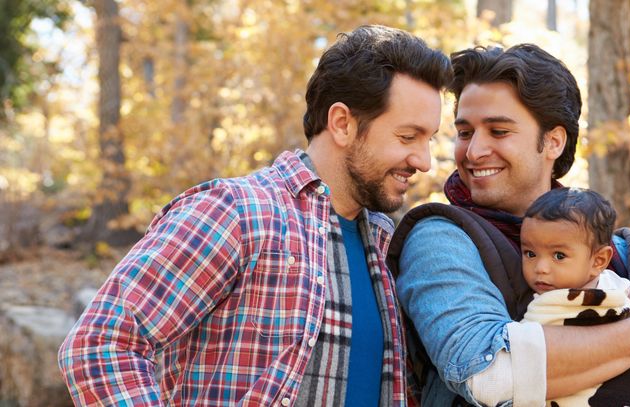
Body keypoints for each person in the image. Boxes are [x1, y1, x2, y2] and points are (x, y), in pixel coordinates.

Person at [58, 25, 451, 406]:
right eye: (407, 137)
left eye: (428, 140)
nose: (424, 160)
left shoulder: (383, 242)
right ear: (343, 124)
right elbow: (101, 344)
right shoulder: (237, 212)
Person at [391, 44, 630, 406]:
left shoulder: (623, 254)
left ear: (553, 141)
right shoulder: (442, 238)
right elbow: (485, 374)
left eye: (499, 131)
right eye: (466, 132)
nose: (473, 152)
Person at [520, 187, 630, 406]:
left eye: (559, 256)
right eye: (530, 253)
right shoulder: (624, 290)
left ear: (599, 261)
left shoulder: (548, 306)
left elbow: (518, 365)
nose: (540, 268)